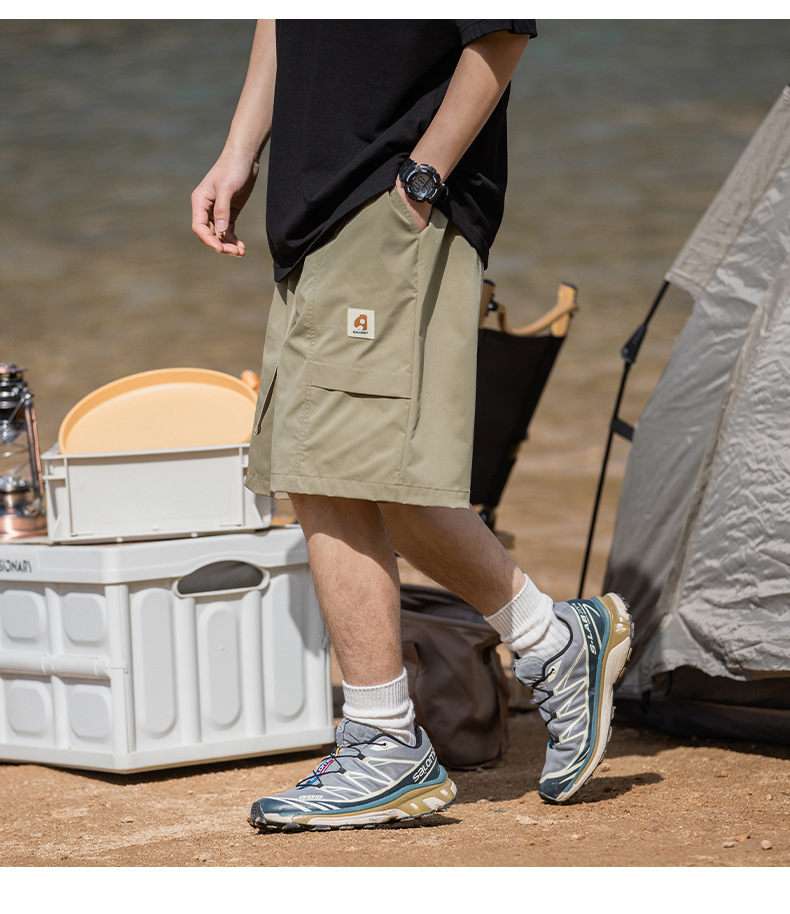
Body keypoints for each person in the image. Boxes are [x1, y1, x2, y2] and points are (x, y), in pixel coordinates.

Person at [192, 19, 632, 832]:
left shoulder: (405, 191)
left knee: (347, 467)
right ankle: (547, 644)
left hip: (389, 201)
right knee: (333, 466)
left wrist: (422, 177)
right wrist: (240, 150)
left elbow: (502, 29)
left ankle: (388, 739)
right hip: (316, 210)